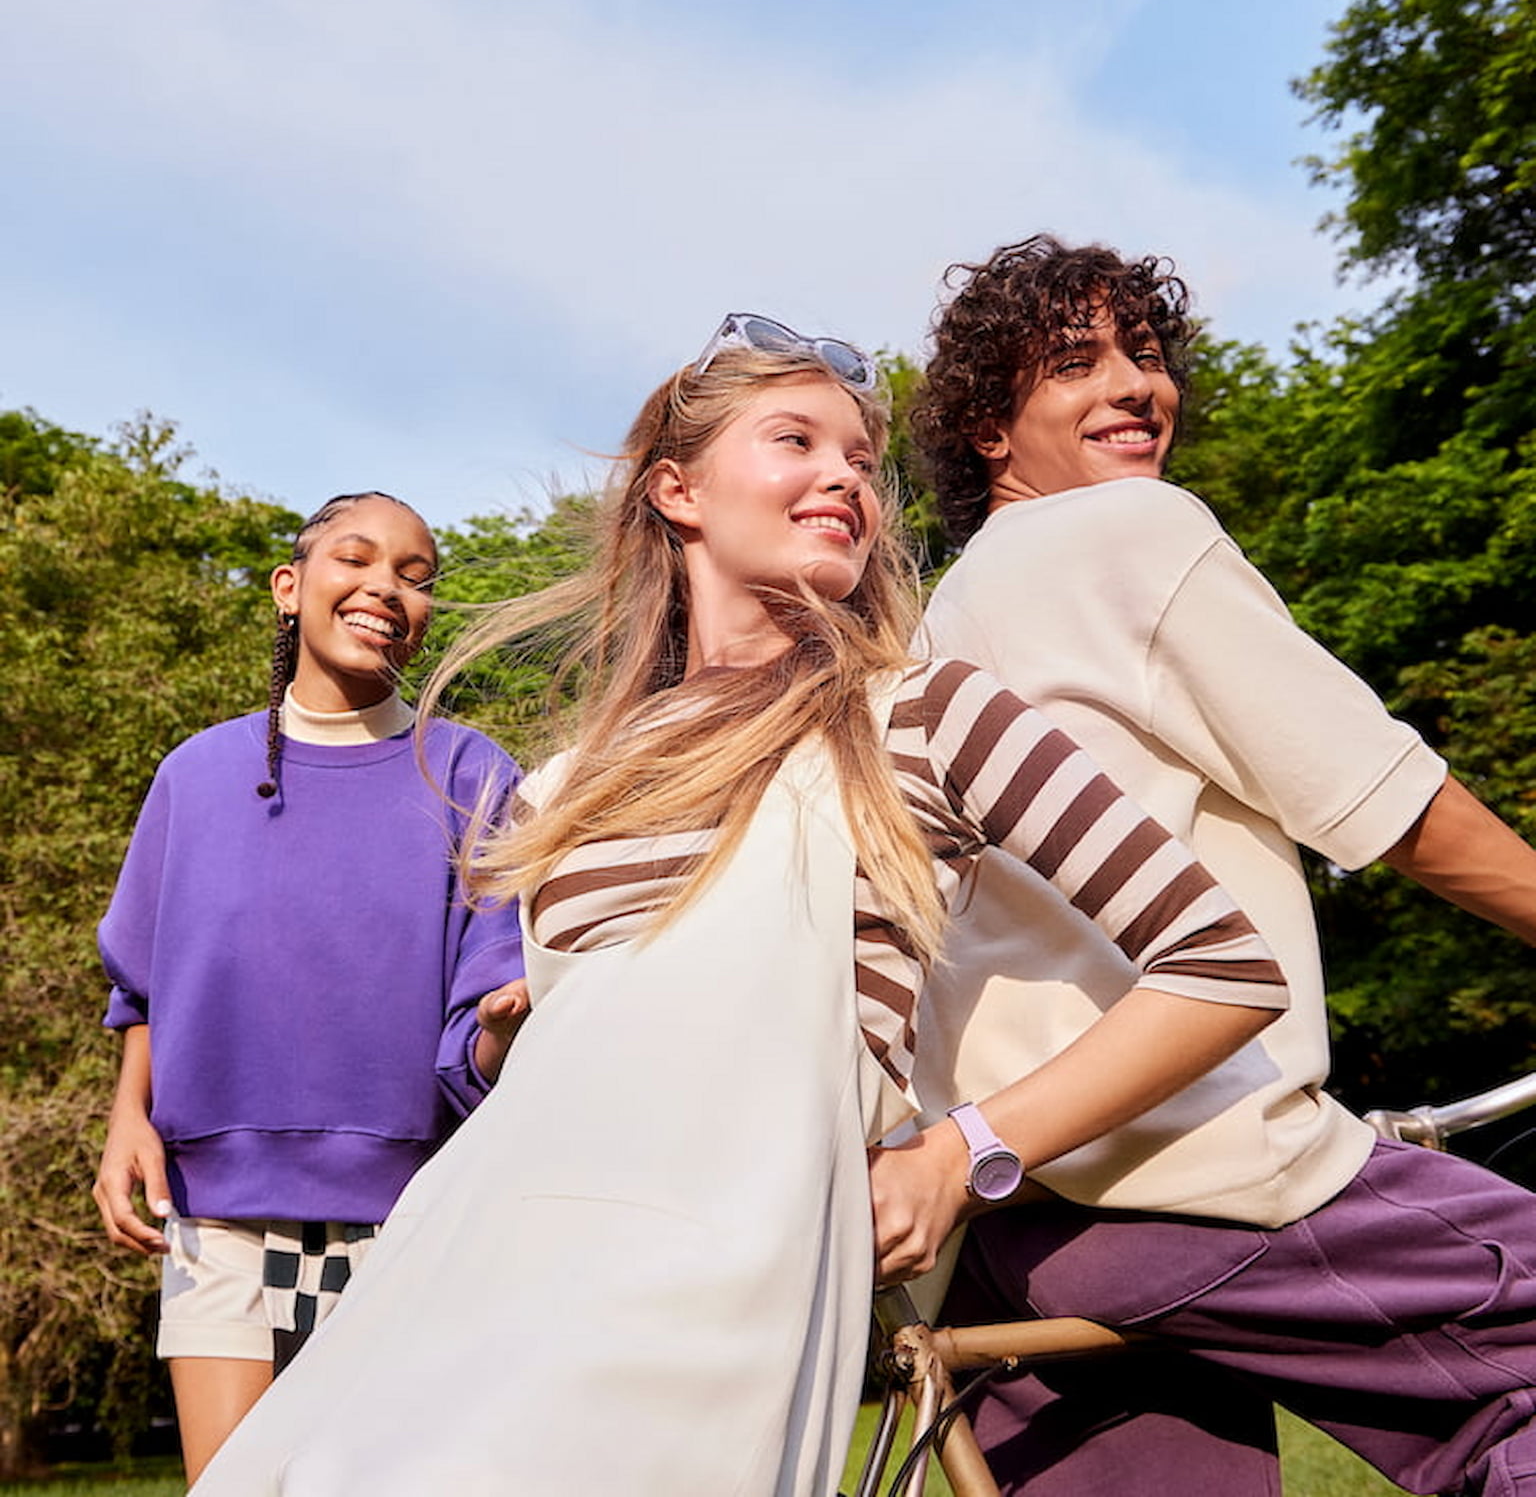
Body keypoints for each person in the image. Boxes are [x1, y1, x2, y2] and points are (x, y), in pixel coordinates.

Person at [189, 314, 1285, 1496]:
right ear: (679, 490)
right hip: (471, 1251)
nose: (845, 477)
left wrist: (963, 1155)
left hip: (727, 1273)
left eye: (863, 460)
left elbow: (1223, 963)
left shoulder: (922, 713)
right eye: (797, 440)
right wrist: (515, 1036)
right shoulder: (562, 790)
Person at [894, 233, 1536, 1497]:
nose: (1135, 384)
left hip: (1020, 1220)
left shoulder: (941, 620)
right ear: (987, 427)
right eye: (1074, 363)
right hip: (1200, 1169)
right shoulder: (1125, 531)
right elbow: (1388, 797)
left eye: (1146, 354)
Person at [92, 490, 528, 1486]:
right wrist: (129, 1114)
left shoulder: (473, 775)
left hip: (408, 1218)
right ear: (291, 586)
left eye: (417, 577)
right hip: (215, 1214)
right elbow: (144, 982)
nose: (387, 587)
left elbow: (486, 1019)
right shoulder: (195, 775)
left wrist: (508, 1026)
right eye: (360, 559)